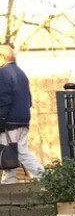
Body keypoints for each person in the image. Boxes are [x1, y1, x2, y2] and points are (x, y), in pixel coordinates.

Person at [0, 44, 44, 183]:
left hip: (10, 119)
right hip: (23, 119)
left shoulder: (3, 73)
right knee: (15, 150)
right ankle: (9, 180)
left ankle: (43, 176)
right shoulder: (21, 73)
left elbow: (4, 98)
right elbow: (29, 98)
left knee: (14, 150)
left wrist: (1, 118)